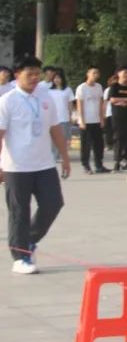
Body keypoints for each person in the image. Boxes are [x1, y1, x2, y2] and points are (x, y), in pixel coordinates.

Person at [0, 55, 69, 275]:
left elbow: (55, 128)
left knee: (53, 204)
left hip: (44, 164)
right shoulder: (7, 101)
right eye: (29, 74)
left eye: (37, 74)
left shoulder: (45, 97)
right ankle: (20, 257)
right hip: (16, 166)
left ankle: (28, 241)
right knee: (19, 212)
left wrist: (65, 157)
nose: (34, 78)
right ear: (17, 75)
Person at [75, 67, 106, 174]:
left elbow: (101, 103)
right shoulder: (81, 88)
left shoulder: (99, 87)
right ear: (88, 74)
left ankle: (99, 165)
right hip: (86, 121)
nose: (96, 75)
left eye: (97, 73)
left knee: (99, 144)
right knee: (86, 145)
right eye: (93, 73)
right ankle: (86, 165)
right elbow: (79, 105)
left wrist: (101, 118)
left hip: (96, 120)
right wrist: (82, 120)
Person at [109, 68, 127, 172]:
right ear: (119, 74)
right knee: (118, 138)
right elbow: (113, 99)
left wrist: (122, 100)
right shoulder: (114, 86)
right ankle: (117, 161)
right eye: (124, 73)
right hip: (118, 117)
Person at [48, 69, 75, 160]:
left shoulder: (67, 90)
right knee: (53, 138)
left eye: (58, 78)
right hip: (53, 118)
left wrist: (70, 115)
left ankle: (62, 154)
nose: (57, 80)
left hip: (64, 117)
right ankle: (54, 156)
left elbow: (70, 103)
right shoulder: (49, 91)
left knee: (64, 137)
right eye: (55, 78)